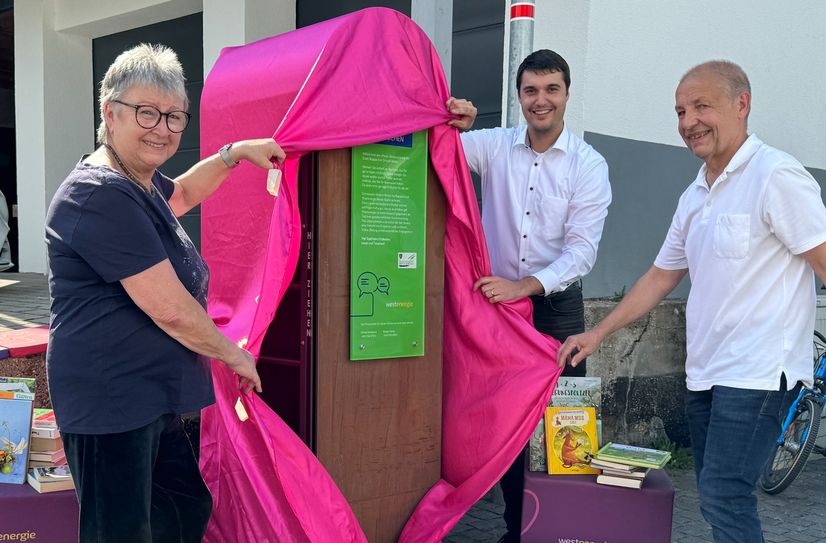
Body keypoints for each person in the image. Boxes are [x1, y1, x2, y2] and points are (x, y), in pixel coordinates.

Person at [557, 60, 826, 543]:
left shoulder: (776, 175)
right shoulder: (696, 193)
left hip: (758, 373)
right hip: (706, 373)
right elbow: (662, 276)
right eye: (680, 111)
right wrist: (597, 332)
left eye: (702, 106)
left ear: (741, 105)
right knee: (715, 495)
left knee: (725, 495)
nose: (688, 122)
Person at [45, 43, 285, 542]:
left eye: (175, 117)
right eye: (147, 112)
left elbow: (185, 193)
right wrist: (231, 356)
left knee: (183, 511)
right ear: (110, 113)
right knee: (124, 530)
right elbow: (171, 309)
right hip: (112, 402)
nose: (164, 128)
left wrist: (234, 153)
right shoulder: (97, 193)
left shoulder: (140, 182)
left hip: (153, 396)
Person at [447, 49, 612, 543]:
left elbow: (582, 252)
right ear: (519, 97)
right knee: (504, 427)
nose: (541, 100)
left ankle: (559, 531)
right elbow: (438, 145)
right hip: (499, 311)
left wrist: (526, 285)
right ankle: (515, 531)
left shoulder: (589, 164)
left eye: (551, 90)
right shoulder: (493, 145)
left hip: (557, 309)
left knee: (564, 428)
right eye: (531, 90)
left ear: (566, 94)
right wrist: (457, 121)